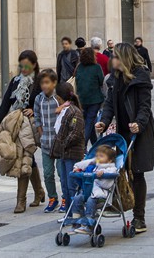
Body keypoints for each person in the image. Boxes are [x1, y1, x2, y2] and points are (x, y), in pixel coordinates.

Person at [95, 43, 154, 235]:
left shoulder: (141, 77)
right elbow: (109, 105)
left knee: (137, 172)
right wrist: (103, 122)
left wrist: (139, 122)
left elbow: (145, 106)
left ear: (124, 58)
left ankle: (139, 217)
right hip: (122, 131)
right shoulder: (114, 79)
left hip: (140, 131)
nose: (112, 61)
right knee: (121, 171)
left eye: (115, 57)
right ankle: (124, 204)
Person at [0, 50, 45, 213]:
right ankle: (39, 191)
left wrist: (34, 111)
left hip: (31, 126)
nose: (23, 69)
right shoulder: (15, 81)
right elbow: (6, 101)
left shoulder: (39, 82)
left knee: (23, 158)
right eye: (21, 65)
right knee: (27, 159)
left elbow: (46, 101)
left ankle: (20, 201)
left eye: (26, 65)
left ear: (34, 65)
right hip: (15, 124)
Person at [67, 145, 119, 232]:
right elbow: (84, 163)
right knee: (77, 198)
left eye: (101, 156)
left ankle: (88, 224)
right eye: (97, 155)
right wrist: (77, 168)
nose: (98, 158)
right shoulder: (95, 165)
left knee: (91, 200)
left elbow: (108, 182)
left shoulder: (111, 168)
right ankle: (76, 222)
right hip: (88, 192)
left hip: (100, 196)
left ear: (109, 160)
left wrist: (103, 173)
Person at [51, 82, 85, 212]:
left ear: (59, 98)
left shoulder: (74, 112)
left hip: (72, 154)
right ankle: (70, 213)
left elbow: (75, 133)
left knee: (72, 186)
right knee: (65, 185)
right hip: (65, 154)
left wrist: (63, 145)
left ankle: (76, 213)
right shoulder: (65, 110)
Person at [33, 69, 63, 212]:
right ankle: (53, 198)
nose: (44, 86)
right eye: (42, 83)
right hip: (46, 143)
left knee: (62, 172)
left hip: (60, 144)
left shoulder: (59, 98)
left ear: (54, 83)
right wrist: (41, 134)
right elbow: (37, 118)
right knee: (48, 173)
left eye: (47, 82)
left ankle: (66, 198)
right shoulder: (39, 99)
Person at [75, 47, 105, 147]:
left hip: (81, 99)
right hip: (94, 99)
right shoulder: (96, 67)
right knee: (89, 121)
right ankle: (83, 146)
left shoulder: (79, 67)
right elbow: (101, 81)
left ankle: (95, 145)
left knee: (88, 121)